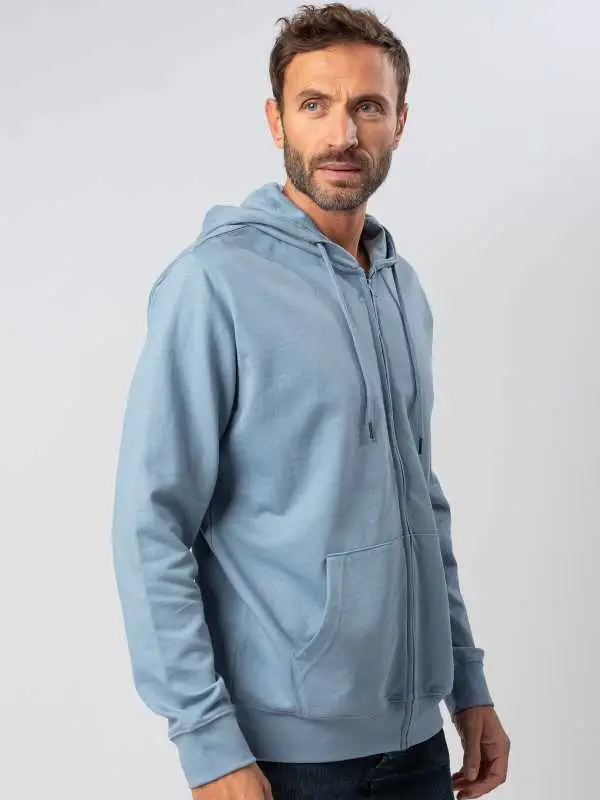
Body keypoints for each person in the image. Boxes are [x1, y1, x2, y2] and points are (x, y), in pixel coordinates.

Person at [110, 3, 510, 798]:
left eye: (368, 106)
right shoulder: (213, 284)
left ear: (399, 123)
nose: (342, 134)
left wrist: (467, 684)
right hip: (283, 755)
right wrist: (208, 744)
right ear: (277, 121)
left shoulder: (400, 287)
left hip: (418, 744)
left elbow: (420, 504)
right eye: (315, 104)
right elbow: (151, 523)